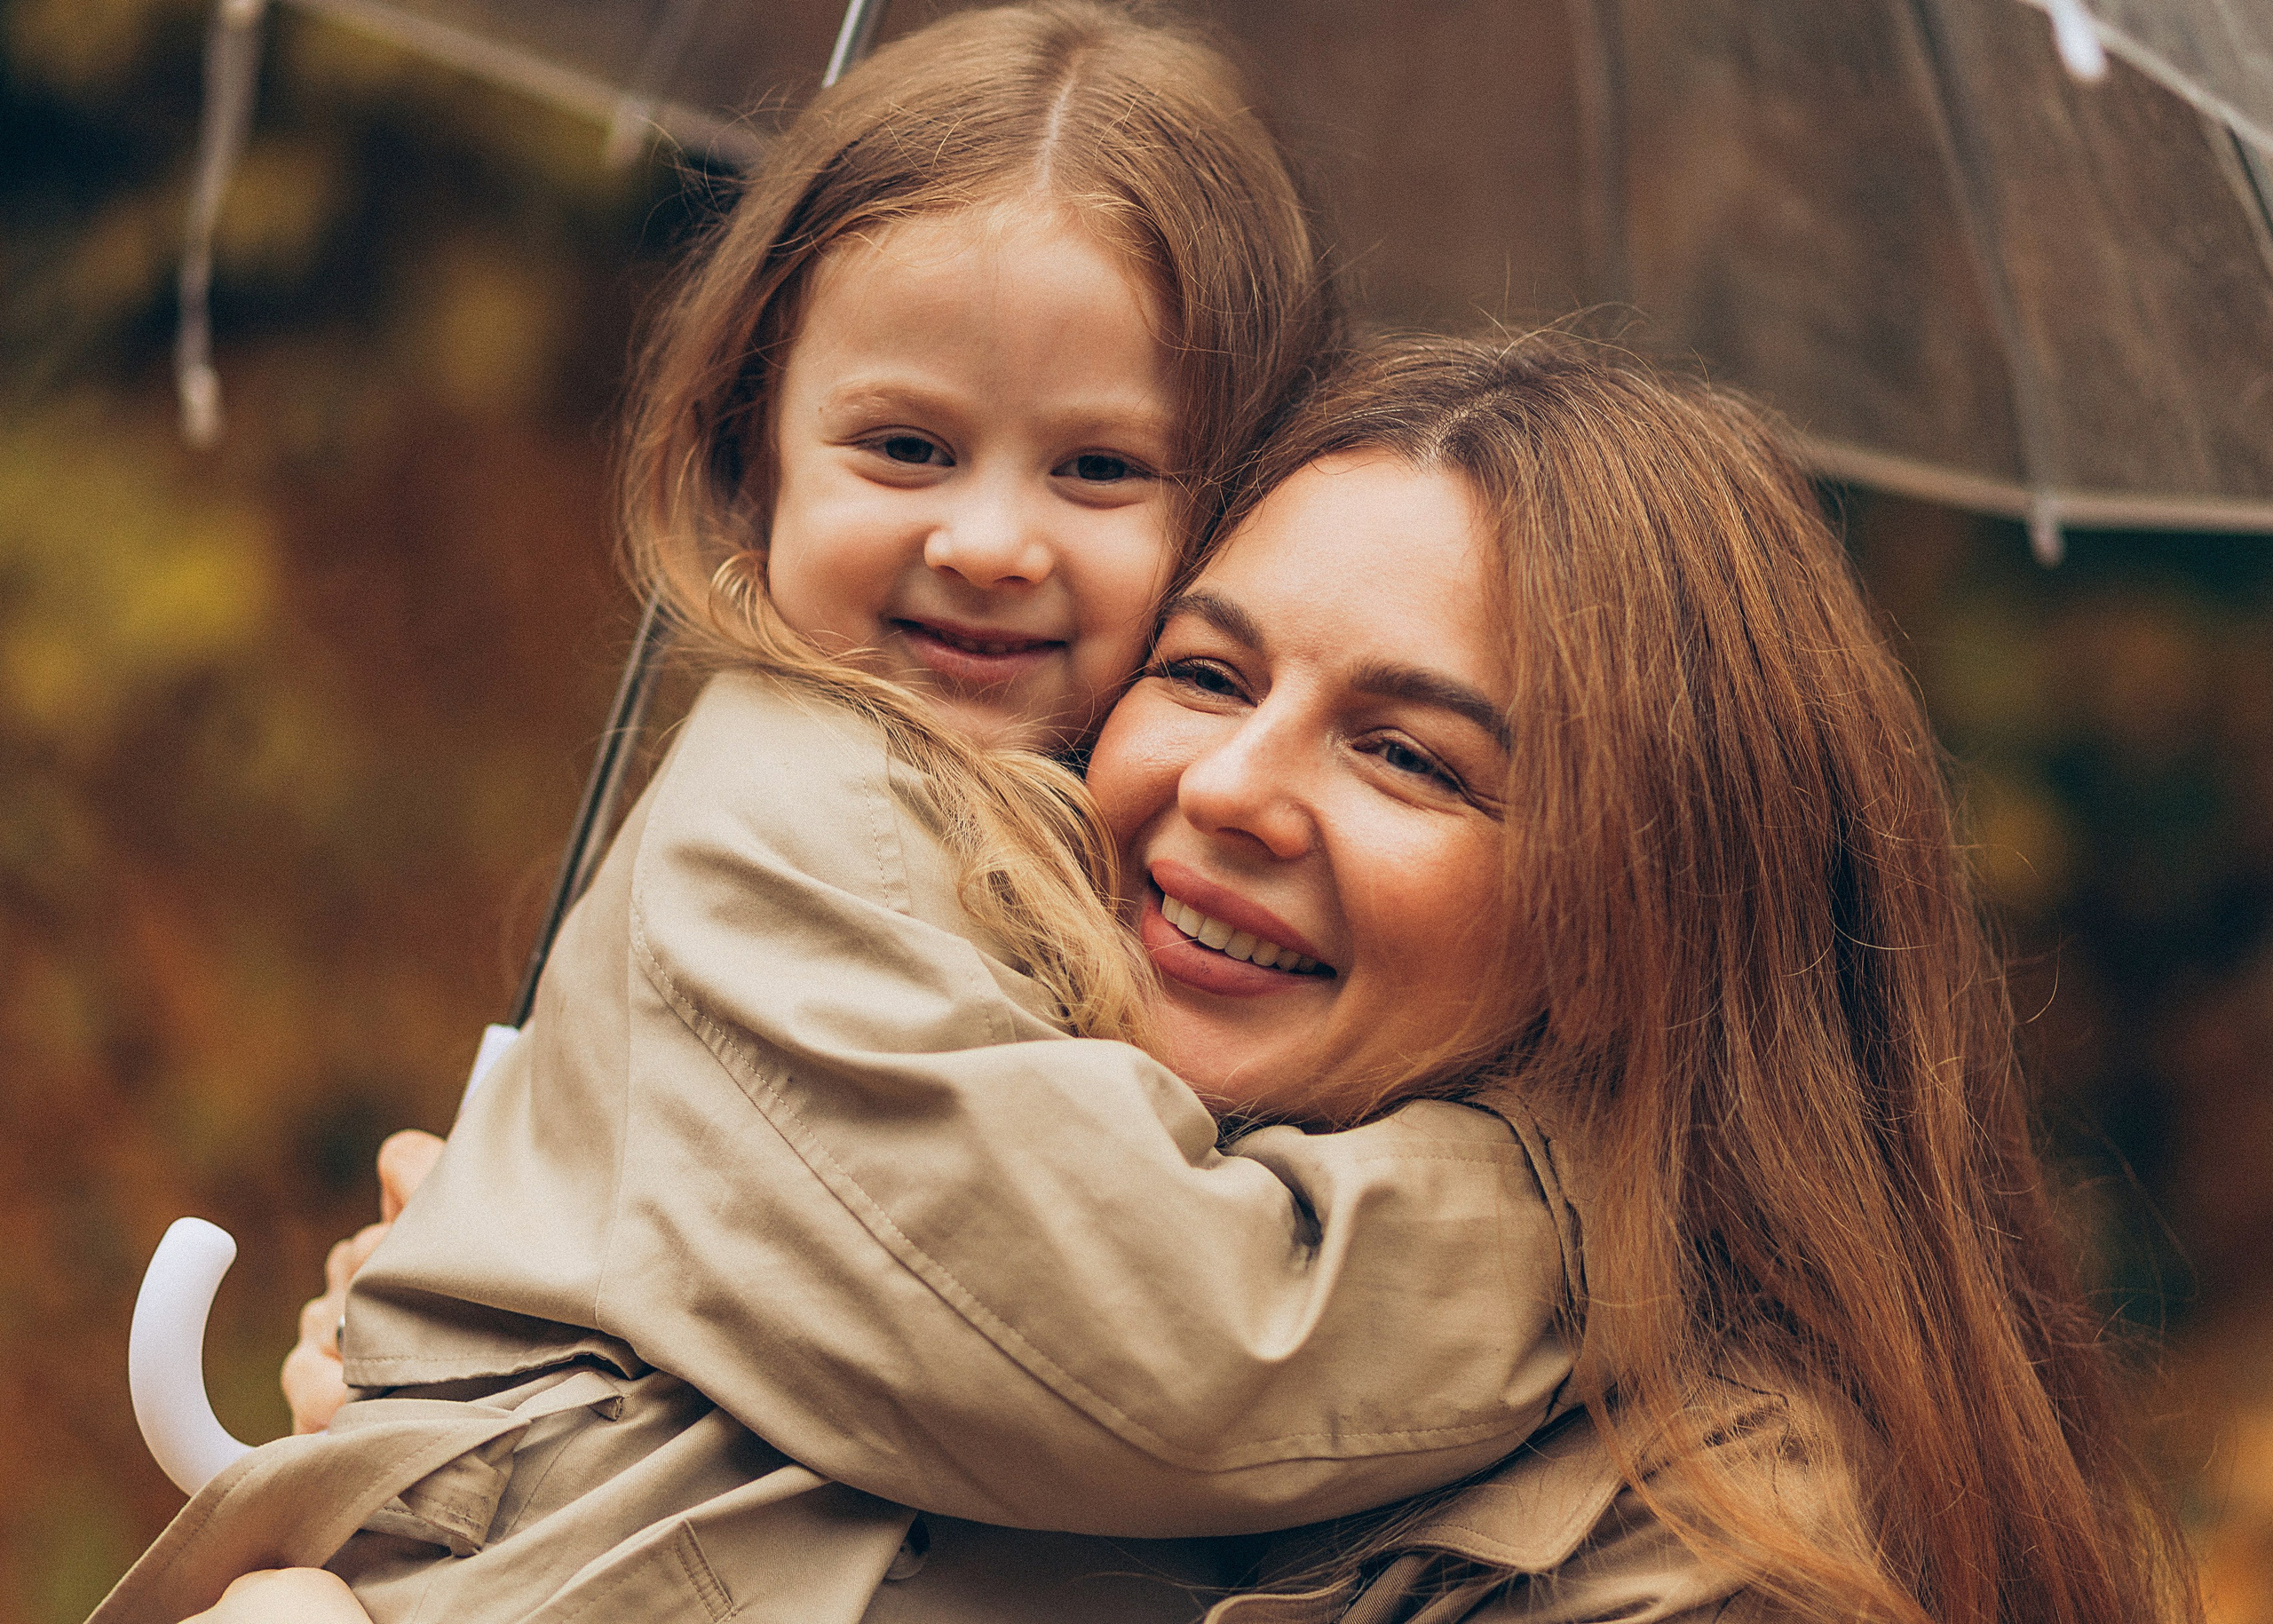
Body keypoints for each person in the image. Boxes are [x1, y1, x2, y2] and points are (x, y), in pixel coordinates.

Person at [181, 334, 2198, 1624]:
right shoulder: (949, 1243)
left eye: (1409, 756)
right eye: (1205, 673)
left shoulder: (1727, 1560)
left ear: (1636, 924)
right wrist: (533, 1433)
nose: (1223, 786)